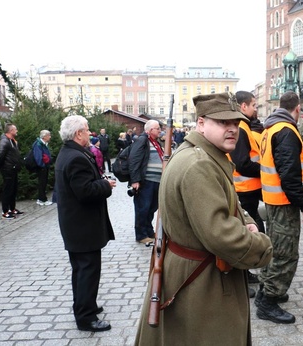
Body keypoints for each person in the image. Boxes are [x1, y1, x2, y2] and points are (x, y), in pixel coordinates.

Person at [134, 92, 273, 345]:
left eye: (235, 123)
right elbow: (221, 234)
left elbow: (226, 200)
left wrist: (246, 219)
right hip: (202, 283)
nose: (232, 129)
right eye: (222, 122)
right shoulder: (200, 164)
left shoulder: (203, 155)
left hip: (197, 274)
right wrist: (263, 247)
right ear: (201, 123)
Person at [256, 91, 303, 324]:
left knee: (275, 248)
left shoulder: (270, 129)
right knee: (285, 254)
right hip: (283, 203)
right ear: (297, 108)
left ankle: (265, 291)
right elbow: (289, 175)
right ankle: (269, 300)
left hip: (273, 201)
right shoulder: (286, 131)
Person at [55, 115, 116, 333]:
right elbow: (85, 191)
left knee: (82, 270)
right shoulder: (76, 157)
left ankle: (86, 305)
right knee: (86, 271)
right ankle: (85, 318)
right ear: (78, 133)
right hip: (82, 226)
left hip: (78, 225)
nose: (90, 133)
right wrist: (105, 185)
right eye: (87, 130)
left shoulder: (70, 152)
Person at [228, 90, 265, 292]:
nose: (255, 109)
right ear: (243, 107)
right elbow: (241, 163)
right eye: (254, 105)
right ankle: (243, 274)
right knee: (248, 233)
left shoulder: (245, 126)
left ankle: (246, 272)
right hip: (243, 189)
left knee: (253, 230)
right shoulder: (241, 127)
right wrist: (266, 171)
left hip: (249, 189)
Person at [128, 120, 163, 245]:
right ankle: (141, 235)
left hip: (156, 181)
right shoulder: (143, 140)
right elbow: (134, 159)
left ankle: (149, 231)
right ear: (150, 130)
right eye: (157, 128)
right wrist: (135, 180)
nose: (160, 130)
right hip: (146, 181)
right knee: (143, 208)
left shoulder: (155, 142)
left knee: (151, 208)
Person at [0, 123, 23, 219]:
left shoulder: (12, 141)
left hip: (14, 169)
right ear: (11, 131)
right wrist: (1, 167)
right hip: (8, 169)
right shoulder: (5, 141)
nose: (17, 131)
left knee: (13, 190)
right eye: (15, 130)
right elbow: (0, 155)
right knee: (7, 190)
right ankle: (5, 211)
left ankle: (12, 208)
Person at [33, 130, 53, 206]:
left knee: (44, 183)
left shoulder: (43, 144)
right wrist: (42, 166)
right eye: (49, 135)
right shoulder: (38, 144)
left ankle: (41, 198)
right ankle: (42, 199)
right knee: (42, 183)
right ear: (44, 136)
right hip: (42, 167)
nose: (50, 137)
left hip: (45, 166)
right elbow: (38, 157)